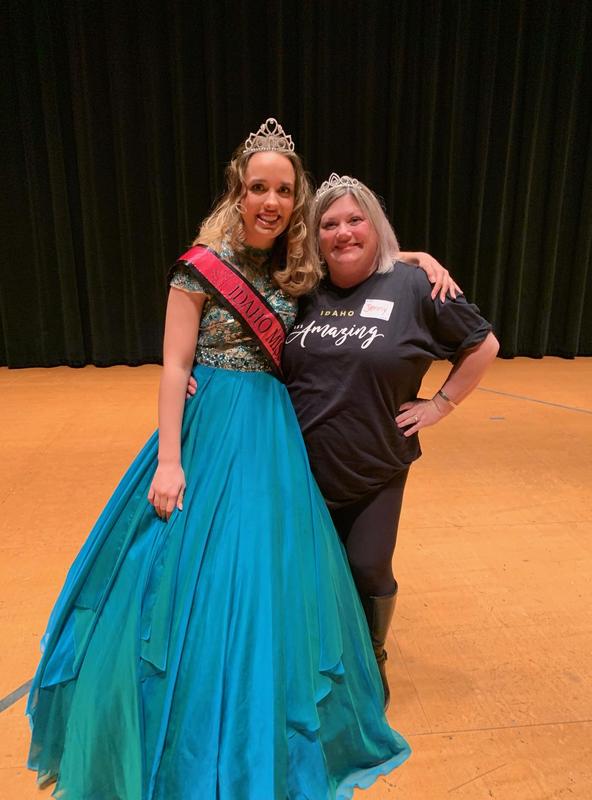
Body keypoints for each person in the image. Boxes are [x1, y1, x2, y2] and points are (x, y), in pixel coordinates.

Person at [26, 121, 415, 799]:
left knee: (265, 569)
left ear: (297, 200)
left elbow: (363, 249)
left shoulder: (295, 271)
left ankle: (261, 701)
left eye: (284, 190)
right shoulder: (198, 266)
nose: (270, 200)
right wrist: (170, 460)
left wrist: (421, 258)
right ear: (238, 191)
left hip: (272, 433)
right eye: (258, 186)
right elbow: (175, 366)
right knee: (183, 568)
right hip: (209, 430)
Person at [281, 173, 500, 709]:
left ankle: (372, 652)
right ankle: (314, 656)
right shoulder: (301, 291)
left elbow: (483, 344)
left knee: (367, 566)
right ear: (315, 236)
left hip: (375, 463)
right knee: (304, 571)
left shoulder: (414, 287)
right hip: (298, 465)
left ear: (376, 228)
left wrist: (440, 404)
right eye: (329, 224)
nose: (343, 232)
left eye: (356, 220)